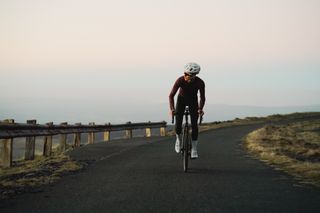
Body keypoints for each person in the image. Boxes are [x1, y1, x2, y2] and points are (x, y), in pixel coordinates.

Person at [169, 62, 206, 159]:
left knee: (194, 125)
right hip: (181, 100)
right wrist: (172, 109)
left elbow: (202, 98)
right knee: (178, 123)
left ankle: (194, 148)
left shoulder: (200, 83)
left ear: (194, 75)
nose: (186, 76)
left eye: (188, 75)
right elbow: (171, 95)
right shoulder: (180, 80)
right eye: (185, 74)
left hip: (193, 101)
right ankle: (178, 139)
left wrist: (200, 109)